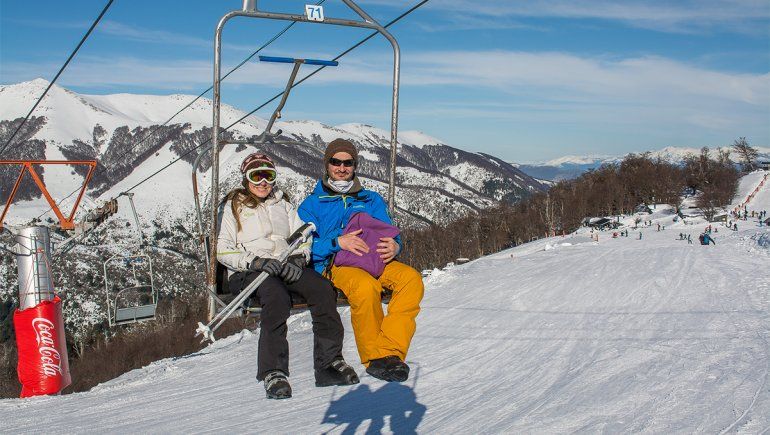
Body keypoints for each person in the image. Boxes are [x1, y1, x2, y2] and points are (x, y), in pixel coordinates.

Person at [217, 153, 359, 399]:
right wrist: (255, 261)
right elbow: (223, 249)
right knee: (276, 297)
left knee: (323, 288)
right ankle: (273, 371)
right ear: (246, 178)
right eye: (256, 176)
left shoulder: (285, 204)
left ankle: (329, 362)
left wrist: (298, 258)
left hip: (284, 265)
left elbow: (303, 237)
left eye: (268, 176)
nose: (263, 182)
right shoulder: (234, 206)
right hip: (250, 271)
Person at [299, 138, 424, 383]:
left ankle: (389, 352)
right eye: (336, 162)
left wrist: (396, 245)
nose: (342, 167)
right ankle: (375, 358)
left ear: (355, 166)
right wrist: (337, 243)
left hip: (376, 259)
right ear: (327, 165)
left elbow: (388, 229)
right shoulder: (312, 204)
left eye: (348, 162)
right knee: (365, 287)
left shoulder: (370, 199)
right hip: (338, 264)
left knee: (411, 279)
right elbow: (303, 247)